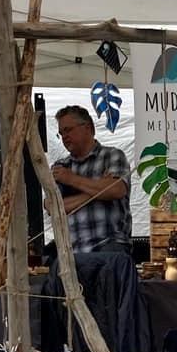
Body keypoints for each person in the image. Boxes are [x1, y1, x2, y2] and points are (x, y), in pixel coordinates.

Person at [51, 106, 132, 253]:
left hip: (110, 245)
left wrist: (71, 179)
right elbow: (52, 206)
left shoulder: (112, 156)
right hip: (72, 250)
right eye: (61, 133)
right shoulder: (61, 166)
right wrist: (98, 190)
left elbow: (116, 189)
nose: (64, 137)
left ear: (87, 127)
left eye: (68, 130)